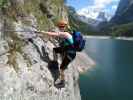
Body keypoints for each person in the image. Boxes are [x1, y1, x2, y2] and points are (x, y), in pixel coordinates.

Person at [41, 19, 76, 87]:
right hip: (68, 51)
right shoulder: (68, 33)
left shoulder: (64, 33)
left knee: (62, 69)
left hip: (69, 53)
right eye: (60, 27)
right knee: (55, 50)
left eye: (61, 27)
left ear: (62, 27)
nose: (60, 28)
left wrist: (43, 32)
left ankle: (63, 83)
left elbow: (52, 34)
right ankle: (55, 63)